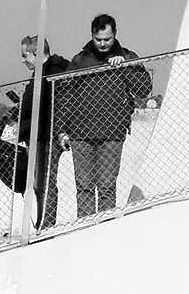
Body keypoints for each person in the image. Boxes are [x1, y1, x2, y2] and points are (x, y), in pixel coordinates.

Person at [58, 14, 152, 219]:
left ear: (115, 35)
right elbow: (65, 96)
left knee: (108, 186)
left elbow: (144, 89)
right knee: (84, 187)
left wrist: (126, 67)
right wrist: (62, 129)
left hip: (112, 133)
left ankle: (105, 229)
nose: (102, 43)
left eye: (107, 39)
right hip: (80, 133)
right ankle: (84, 229)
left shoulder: (127, 57)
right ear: (92, 35)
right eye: (98, 39)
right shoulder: (80, 60)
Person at [17, 36, 71, 230]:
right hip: (37, 136)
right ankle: (44, 222)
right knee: (38, 183)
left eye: (25, 55)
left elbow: (54, 105)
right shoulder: (41, 73)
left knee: (44, 182)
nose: (23, 60)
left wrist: (60, 131)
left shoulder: (52, 72)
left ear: (37, 53)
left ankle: (46, 224)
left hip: (46, 136)